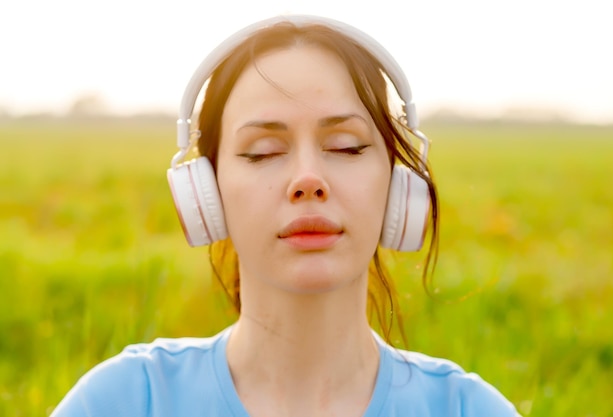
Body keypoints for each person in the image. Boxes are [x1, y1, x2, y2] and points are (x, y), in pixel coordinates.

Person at [51, 15, 520, 417]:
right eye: (263, 152)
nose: (308, 179)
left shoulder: (468, 409)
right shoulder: (124, 402)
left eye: (345, 146)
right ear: (205, 192)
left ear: (398, 185)